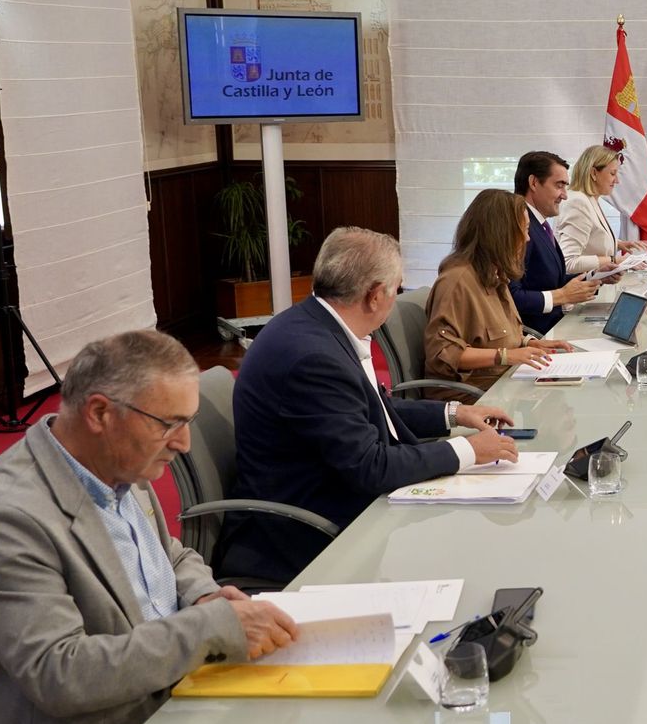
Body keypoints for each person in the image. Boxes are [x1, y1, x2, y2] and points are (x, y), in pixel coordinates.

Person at [0, 330, 300, 724]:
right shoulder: (6, 516)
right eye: (169, 423)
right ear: (101, 413)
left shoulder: (118, 461)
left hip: (174, 694)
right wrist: (212, 628)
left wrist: (203, 595)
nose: (183, 442)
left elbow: (170, 553)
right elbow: (61, 673)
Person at [220, 227, 518, 583]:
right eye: (398, 288)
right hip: (306, 533)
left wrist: (454, 413)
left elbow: (369, 408)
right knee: (468, 557)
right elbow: (371, 467)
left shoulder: (318, 326)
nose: (397, 297)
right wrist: (467, 450)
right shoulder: (313, 357)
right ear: (376, 295)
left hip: (337, 495)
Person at [425, 190, 574, 395]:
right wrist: (505, 356)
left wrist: (531, 343)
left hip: (504, 384)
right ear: (501, 233)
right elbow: (443, 355)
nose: (528, 238)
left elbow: (500, 334)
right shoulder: (456, 282)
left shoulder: (495, 274)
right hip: (473, 397)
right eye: (524, 230)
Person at [509, 150, 601, 332]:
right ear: (534, 183)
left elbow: (548, 279)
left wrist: (596, 276)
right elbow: (511, 296)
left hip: (554, 328)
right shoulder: (516, 226)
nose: (565, 195)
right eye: (559, 185)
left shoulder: (539, 223)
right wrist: (561, 296)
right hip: (535, 337)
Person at [558, 144, 642, 275]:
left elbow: (591, 236)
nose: (617, 180)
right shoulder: (578, 202)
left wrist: (616, 243)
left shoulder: (589, 199)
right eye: (612, 173)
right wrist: (614, 260)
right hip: (582, 290)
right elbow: (568, 262)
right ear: (593, 173)